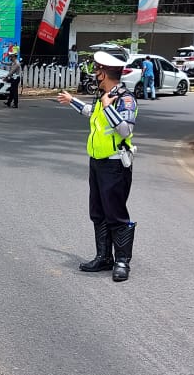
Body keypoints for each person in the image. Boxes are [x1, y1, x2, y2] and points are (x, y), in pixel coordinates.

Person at [56, 50, 138, 283]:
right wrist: (72, 101)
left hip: (115, 165)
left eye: (96, 70)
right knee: (98, 212)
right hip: (97, 163)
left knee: (116, 214)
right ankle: (103, 257)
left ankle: (122, 261)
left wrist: (109, 107)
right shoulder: (104, 95)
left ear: (103, 73)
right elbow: (93, 114)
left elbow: (126, 130)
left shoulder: (125, 98)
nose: (94, 74)